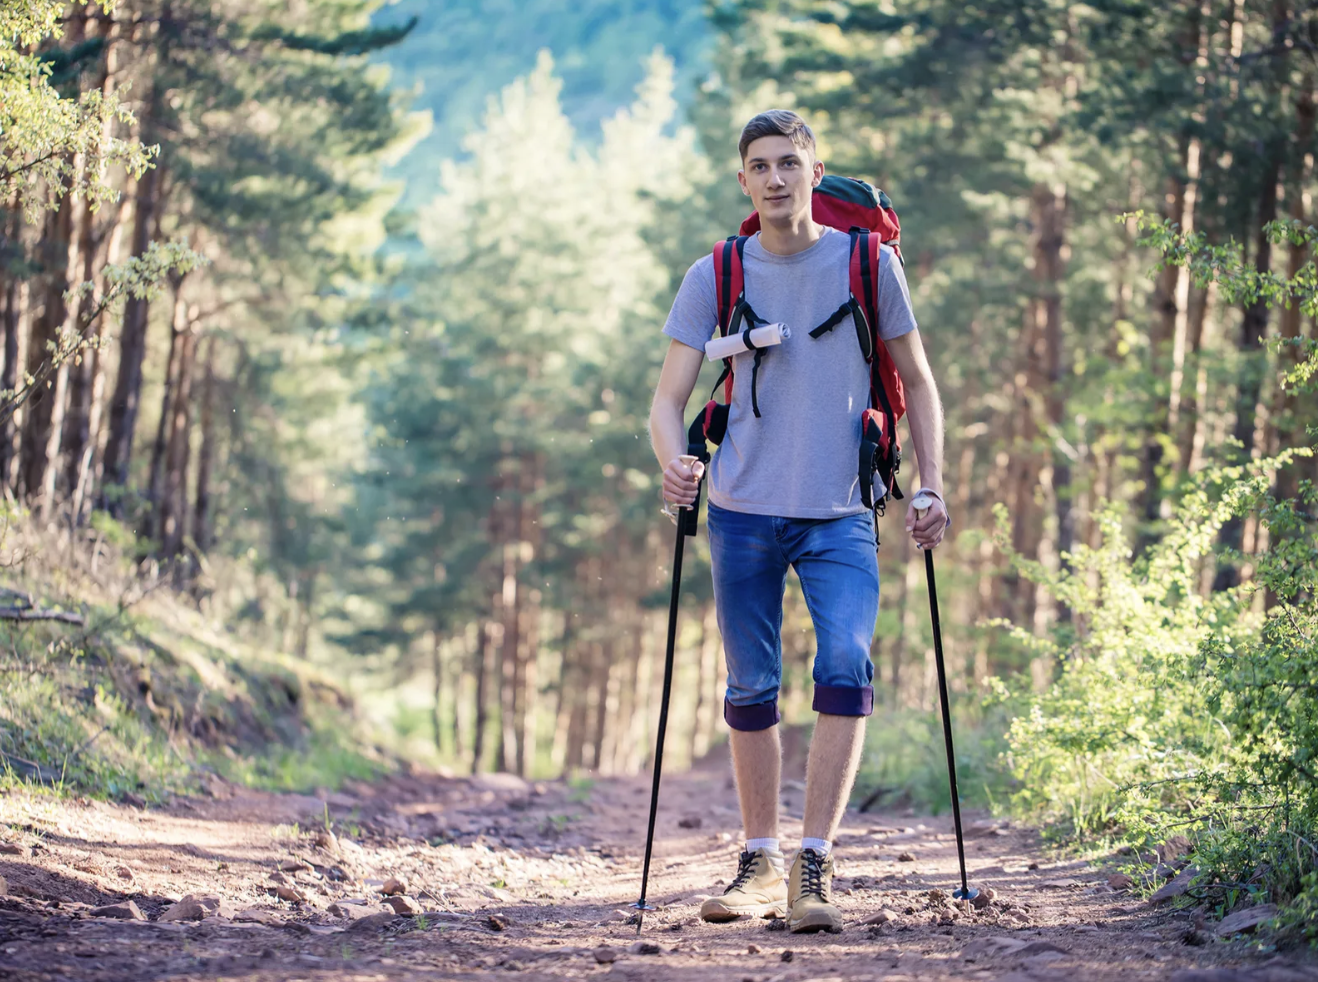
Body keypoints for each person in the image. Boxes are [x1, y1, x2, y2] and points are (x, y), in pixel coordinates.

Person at [648, 109, 949, 934]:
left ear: (815, 172)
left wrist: (932, 485)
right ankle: (759, 861)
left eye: (789, 162)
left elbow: (919, 381)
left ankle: (814, 863)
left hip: (840, 511)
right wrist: (674, 463)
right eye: (760, 165)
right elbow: (668, 401)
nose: (775, 178)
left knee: (846, 664)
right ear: (742, 180)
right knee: (750, 684)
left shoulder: (868, 263)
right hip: (740, 510)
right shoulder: (715, 272)